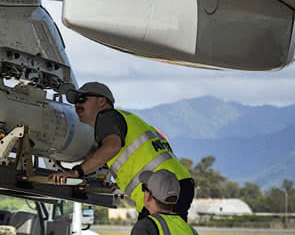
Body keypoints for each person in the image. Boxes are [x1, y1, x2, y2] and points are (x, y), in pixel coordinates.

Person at [50, 82, 194, 220]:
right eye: (75, 102)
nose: (77, 105)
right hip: (174, 185)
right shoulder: (126, 119)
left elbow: (112, 147)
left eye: (82, 99)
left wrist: (77, 171)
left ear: (101, 102)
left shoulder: (107, 117)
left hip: (161, 190)